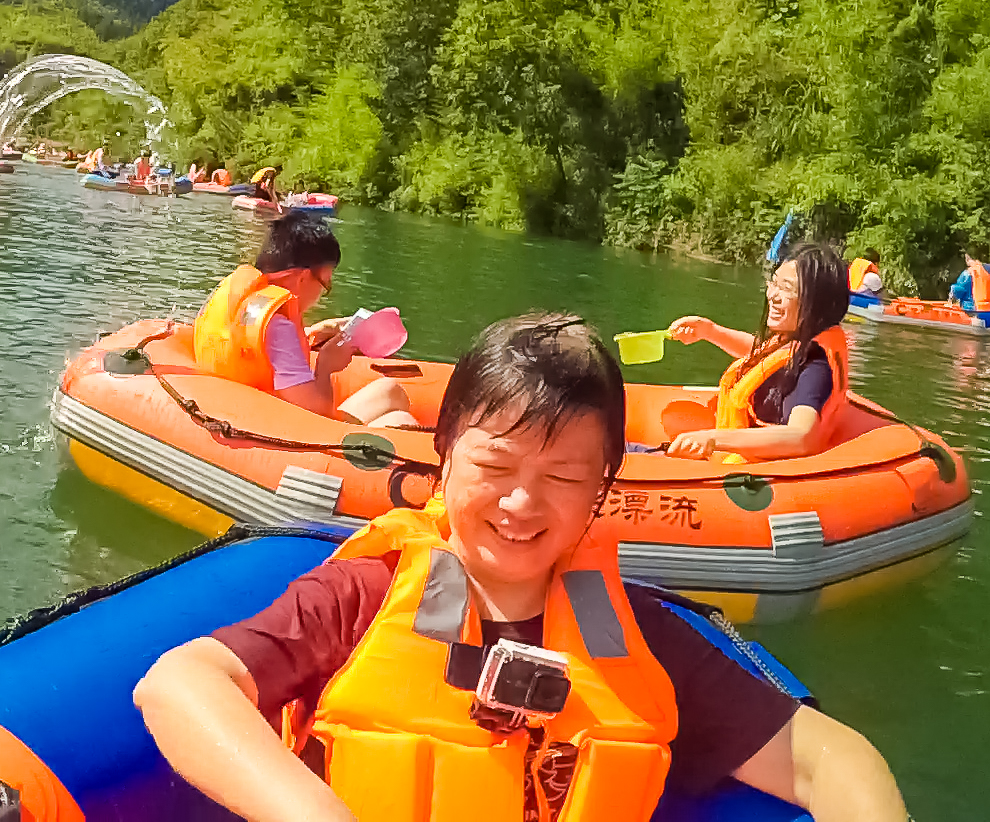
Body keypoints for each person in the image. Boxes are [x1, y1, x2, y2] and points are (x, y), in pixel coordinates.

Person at [135, 313, 907, 822]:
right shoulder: (361, 597)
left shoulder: (638, 639)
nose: (520, 503)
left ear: (602, 489)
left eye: (564, 478)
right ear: (443, 459)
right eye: (495, 465)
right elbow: (178, 685)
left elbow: (831, 760)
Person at [191, 214, 416, 427]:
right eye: (325, 285)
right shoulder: (280, 328)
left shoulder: (241, 296)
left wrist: (316, 330)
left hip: (233, 408)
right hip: (275, 433)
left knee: (390, 389)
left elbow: (258, 346)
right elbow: (316, 419)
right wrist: (325, 366)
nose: (321, 294)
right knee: (400, 420)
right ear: (303, 276)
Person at [663, 242, 848, 462]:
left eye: (787, 288)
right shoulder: (795, 343)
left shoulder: (816, 365)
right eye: (774, 283)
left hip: (750, 474)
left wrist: (713, 438)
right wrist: (708, 331)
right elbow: (763, 355)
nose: (773, 295)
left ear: (818, 302)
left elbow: (802, 435)